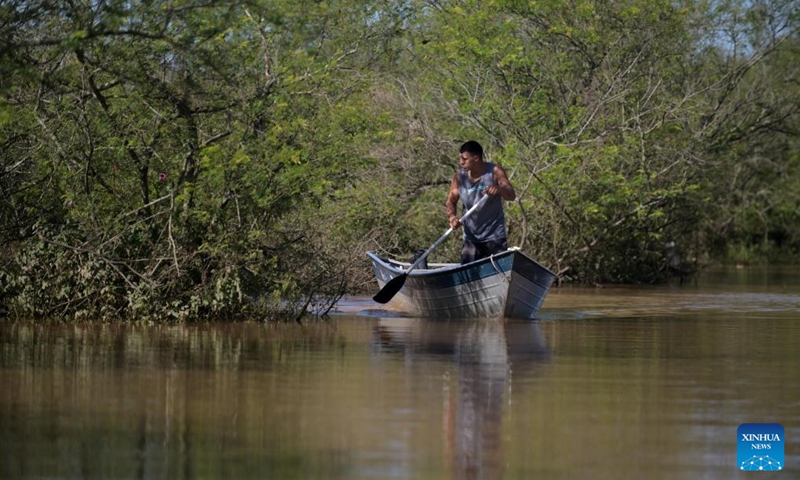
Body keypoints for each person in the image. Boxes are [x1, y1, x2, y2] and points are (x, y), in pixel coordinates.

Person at [446, 141, 516, 264]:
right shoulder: (459, 177)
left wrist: (499, 189)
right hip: (471, 239)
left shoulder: (495, 171)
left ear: (476, 158)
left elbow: (511, 195)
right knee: (469, 276)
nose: (461, 162)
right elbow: (451, 201)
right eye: (460, 158)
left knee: (499, 272)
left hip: (494, 237)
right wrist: (452, 217)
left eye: (465, 159)